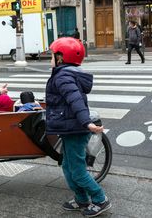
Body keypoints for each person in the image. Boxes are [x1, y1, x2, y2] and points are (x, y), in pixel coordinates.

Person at [46, 37, 111, 217]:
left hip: (76, 129)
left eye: (52, 56)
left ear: (60, 58)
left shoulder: (63, 76)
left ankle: (100, 199)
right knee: (68, 167)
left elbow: (76, 101)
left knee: (77, 170)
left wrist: (87, 122)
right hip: (69, 128)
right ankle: (81, 198)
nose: (50, 59)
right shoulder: (66, 74)